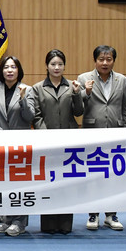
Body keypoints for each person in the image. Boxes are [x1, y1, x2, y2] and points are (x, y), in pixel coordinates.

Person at [28, 49, 83, 234]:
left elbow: (79, 112)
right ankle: (49, 224)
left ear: (64, 66)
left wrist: (77, 94)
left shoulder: (73, 86)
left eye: (60, 64)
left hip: (69, 142)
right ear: (47, 66)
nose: (57, 67)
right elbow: (36, 115)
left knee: (67, 183)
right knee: (48, 183)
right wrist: (47, 136)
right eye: (53, 64)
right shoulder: (37, 88)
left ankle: (65, 224)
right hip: (47, 143)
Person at [76, 45, 126, 231]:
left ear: (113, 61)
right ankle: (93, 214)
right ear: (95, 60)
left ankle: (111, 215)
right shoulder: (84, 78)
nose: (105, 63)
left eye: (109, 59)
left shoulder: (122, 80)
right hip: (92, 133)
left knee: (114, 175)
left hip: (116, 134)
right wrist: (86, 92)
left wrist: (125, 129)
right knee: (93, 176)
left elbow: (125, 108)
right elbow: (77, 107)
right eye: (101, 59)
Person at [0, 56, 34, 236]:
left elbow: (30, 117)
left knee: (20, 182)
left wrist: (23, 99)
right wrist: (0, 134)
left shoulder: (27, 89)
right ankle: (7, 219)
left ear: (18, 70)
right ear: (2, 71)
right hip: (0, 144)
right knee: (4, 182)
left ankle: (19, 221)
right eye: (6, 67)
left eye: (13, 67)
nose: (10, 70)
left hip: (20, 145)